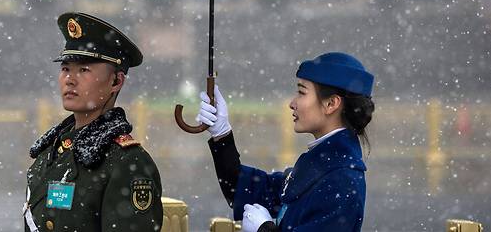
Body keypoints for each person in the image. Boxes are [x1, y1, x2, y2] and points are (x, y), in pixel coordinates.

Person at [197, 52, 375, 232]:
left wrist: (264, 229)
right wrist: (222, 133)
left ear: (331, 104)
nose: (292, 103)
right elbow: (245, 188)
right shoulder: (323, 163)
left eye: (301, 92)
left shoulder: (341, 179)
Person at [24, 12, 163, 232]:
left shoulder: (127, 164)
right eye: (65, 69)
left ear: (116, 81)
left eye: (84, 70)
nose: (70, 79)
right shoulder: (51, 151)